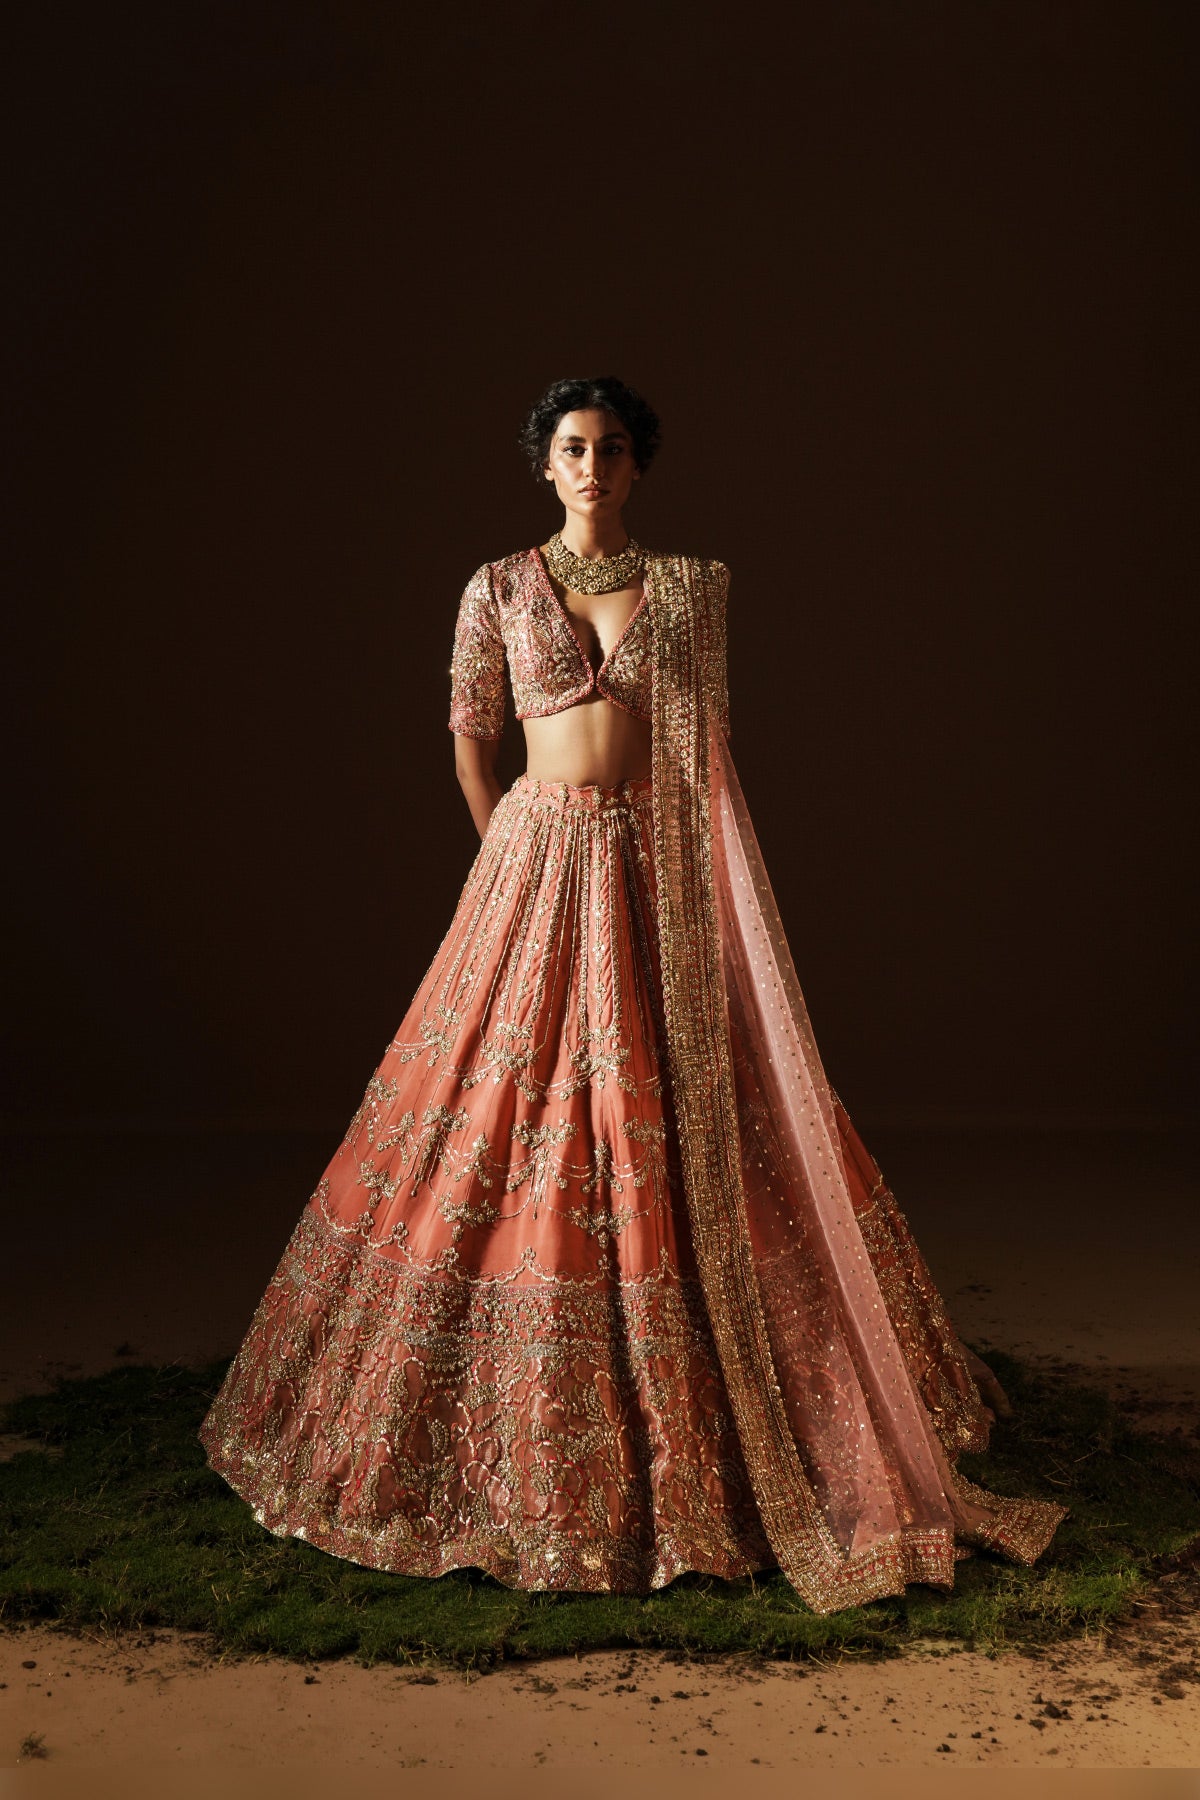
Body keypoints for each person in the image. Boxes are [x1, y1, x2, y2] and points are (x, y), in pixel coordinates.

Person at [200, 375, 1066, 1614]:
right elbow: (468, 735)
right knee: (500, 1124)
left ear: (637, 465)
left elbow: (706, 758)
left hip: (659, 871)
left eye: (610, 448)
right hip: (537, 864)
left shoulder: (697, 589)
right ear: (542, 466)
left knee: (692, 1120)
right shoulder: (496, 587)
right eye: (570, 448)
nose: (591, 466)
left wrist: (706, 898)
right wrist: (512, 848)